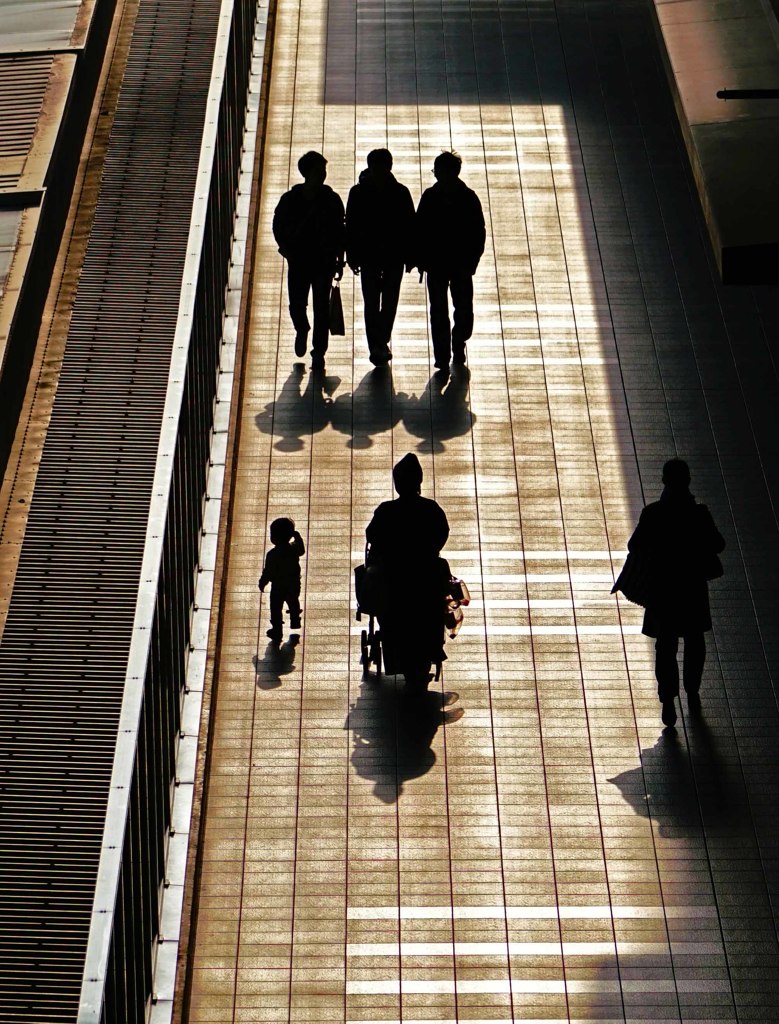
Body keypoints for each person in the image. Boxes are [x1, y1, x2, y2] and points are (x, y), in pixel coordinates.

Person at [625, 459, 725, 727]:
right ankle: (692, 691)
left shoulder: (653, 513)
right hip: (691, 587)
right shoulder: (699, 513)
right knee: (695, 641)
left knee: (666, 645)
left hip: (663, 589)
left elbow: (634, 545)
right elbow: (718, 543)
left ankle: (668, 700)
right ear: (688, 481)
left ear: (663, 481)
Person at [366, 453, 450, 690]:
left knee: (391, 613)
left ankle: (399, 656)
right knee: (430, 613)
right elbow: (441, 534)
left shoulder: (386, 511)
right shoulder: (431, 509)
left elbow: (372, 536)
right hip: (425, 574)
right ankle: (428, 653)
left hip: (394, 575)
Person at [272, 151, 345, 369]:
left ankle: (318, 351)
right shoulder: (290, 200)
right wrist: (286, 248)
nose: (322, 175)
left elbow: (340, 231)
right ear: (307, 173)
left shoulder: (331, 200)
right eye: (318, 171)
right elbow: (278, 227)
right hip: (299, 260)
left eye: (323, 170)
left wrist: (339, 259)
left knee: (321, 308)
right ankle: (302, 328)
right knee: (297, 305)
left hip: (322, 262)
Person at [415, 150, 485, 371]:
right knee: (441, 309)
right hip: (441, 264)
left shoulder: (465, 197)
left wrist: (472, 259)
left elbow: (477, 232)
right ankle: (443, 354)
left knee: (460, 309)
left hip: (458, 263)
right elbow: (420, 229)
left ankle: (457, 339)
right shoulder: (436, 197)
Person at [346, 148, 416, 366]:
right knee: (380, 300)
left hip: (377, 255)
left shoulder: (359, 193)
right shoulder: (400, 192)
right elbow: (409, 225)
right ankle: (379, 342)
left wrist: (352, 254)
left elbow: (352, 226)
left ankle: (378, 342)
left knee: (380, 301)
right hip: (384, 255)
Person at [259, 517, 306, 642]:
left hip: (278, 586)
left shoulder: (272, 554)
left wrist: (263, 582)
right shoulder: (293, 548)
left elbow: (268, 571)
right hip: (293, 583)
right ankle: (295, 618)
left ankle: (277, 630)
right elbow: (302, 550)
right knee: (293, 601)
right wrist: (298, 537)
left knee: (275, 608)